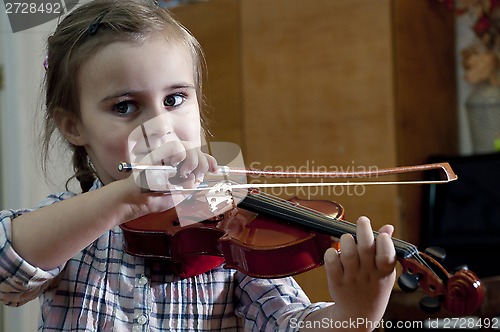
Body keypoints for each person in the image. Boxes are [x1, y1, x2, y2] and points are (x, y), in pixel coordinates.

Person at [0, 0, 397, 330]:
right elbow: (8, 268)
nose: (159, 127)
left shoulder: (227, 225)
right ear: (73, 125)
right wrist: (127, 198)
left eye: (174, 100)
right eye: (125, 106)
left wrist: (352, 315)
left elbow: (287, 321)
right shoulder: (65, 228)